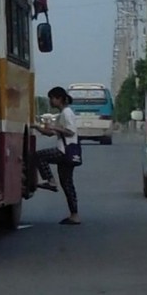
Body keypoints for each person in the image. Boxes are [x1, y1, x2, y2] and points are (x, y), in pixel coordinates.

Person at [33, 86, 81, 225]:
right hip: (67, 151)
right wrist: (37, 128)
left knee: (39, 156)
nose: (50, 101)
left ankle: (50, 181)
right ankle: (74, 214)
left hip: (64, 151)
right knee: (67, 184)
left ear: (59, 98)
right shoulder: (63, 114)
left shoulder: (67, 113)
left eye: (52, 98)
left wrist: (54, 127)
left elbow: (70, 131)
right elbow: (52, 134)